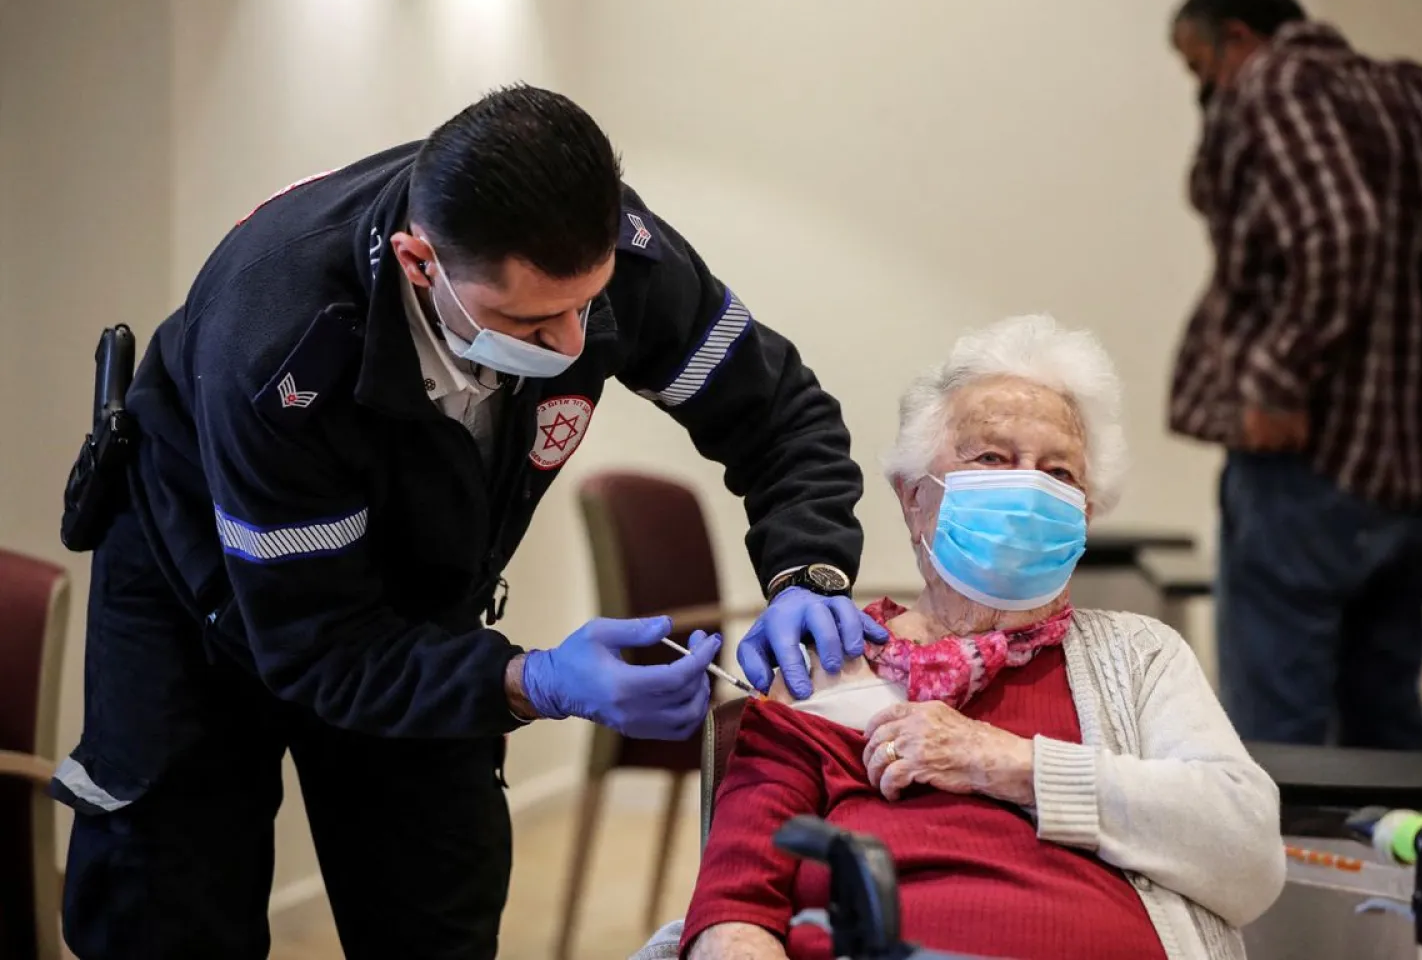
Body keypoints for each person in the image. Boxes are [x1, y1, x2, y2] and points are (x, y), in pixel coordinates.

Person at [52, 84, 889, 960]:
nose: (572, 343)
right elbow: (321, 645)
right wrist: (537, 680)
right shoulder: (278, 337)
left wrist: (809, 573)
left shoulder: (614, 259)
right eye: (529, 321)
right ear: (421, 264)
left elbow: (780, 417)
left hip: (415, 592)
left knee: (438, 895)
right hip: (199, 592)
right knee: (171, 904)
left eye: (586, 306)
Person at [646, 316, 1283, 960]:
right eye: (991, 458)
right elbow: (734, 915)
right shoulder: (829, 669)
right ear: (913, 497)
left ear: (1085, 515)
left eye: (1059, 473)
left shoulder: (1138, 657)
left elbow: (1248, 856)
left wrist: (1001, 762)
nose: (1029, 487)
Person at [1166, 0, 1422, 748]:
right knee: (1384, 709)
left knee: (1281, 726)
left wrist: (1279, 380)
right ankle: (1412, 867)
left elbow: (1341, 230)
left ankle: (1288, 873)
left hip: (1310, 465)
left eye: (1198, 66)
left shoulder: (1275, 83)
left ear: (1239, 37)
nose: (1203, 90)